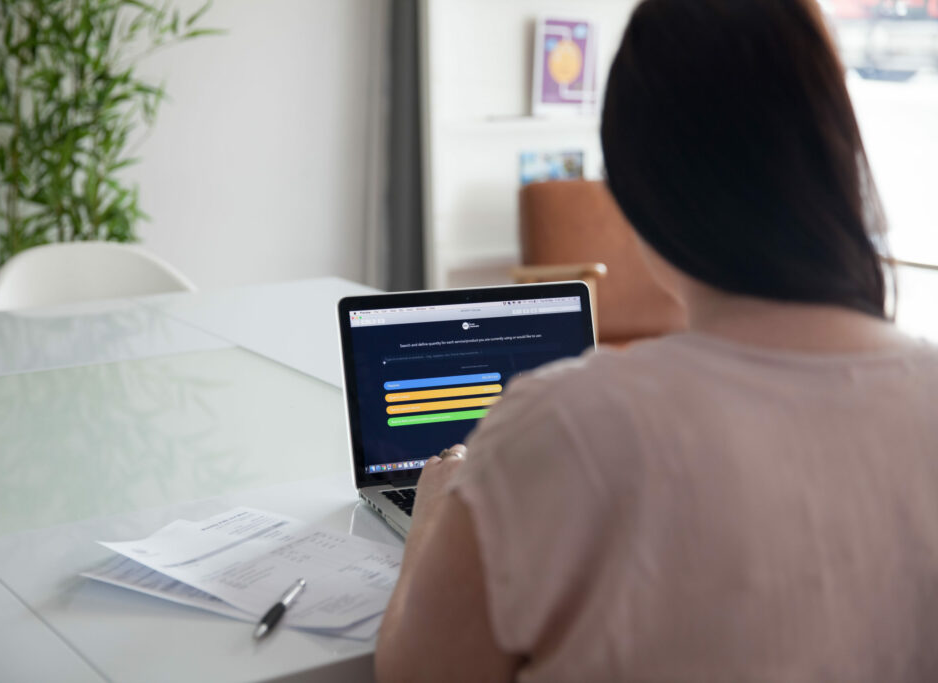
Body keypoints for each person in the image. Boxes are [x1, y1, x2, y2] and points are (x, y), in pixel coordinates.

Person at [375, 0, 938, 681]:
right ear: (835, 156)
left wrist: (432, 520)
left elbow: (420, 675)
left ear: (642, 183)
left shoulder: (565, 424)